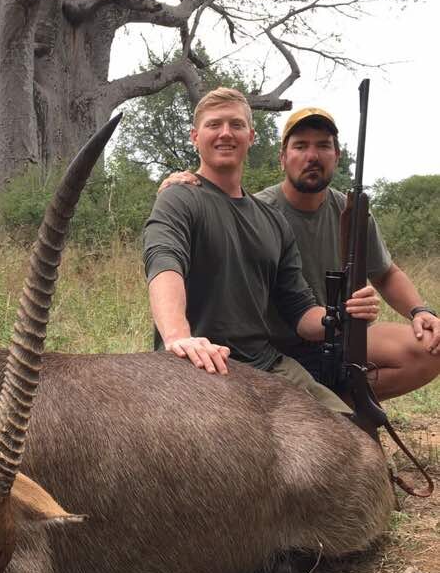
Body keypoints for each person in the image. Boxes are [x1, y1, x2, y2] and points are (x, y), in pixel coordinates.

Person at [159, 105, 440, 402]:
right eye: (300, 146)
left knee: (431, 347)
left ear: (337, 156)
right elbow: (179, 248)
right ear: (283, 158)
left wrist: (420, 312)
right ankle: (323, 415)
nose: (312, 156)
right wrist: (182, 188)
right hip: (273, 346)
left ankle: (346, 406)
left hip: (329, 332)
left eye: (323, 146)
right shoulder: (262, 211)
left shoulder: (351, 213)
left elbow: (386, 272)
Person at [143, 87, 379, 414]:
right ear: (195, 136)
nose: (226, 133)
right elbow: (164, 263)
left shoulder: (273, 220)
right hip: (200, 363)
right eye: (214, 125)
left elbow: (300, 312)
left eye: (236, 125)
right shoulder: (179, 198)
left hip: (266, 364)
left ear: (251, 136)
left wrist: (341, 314)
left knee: (349, 437)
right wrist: (179, 337)